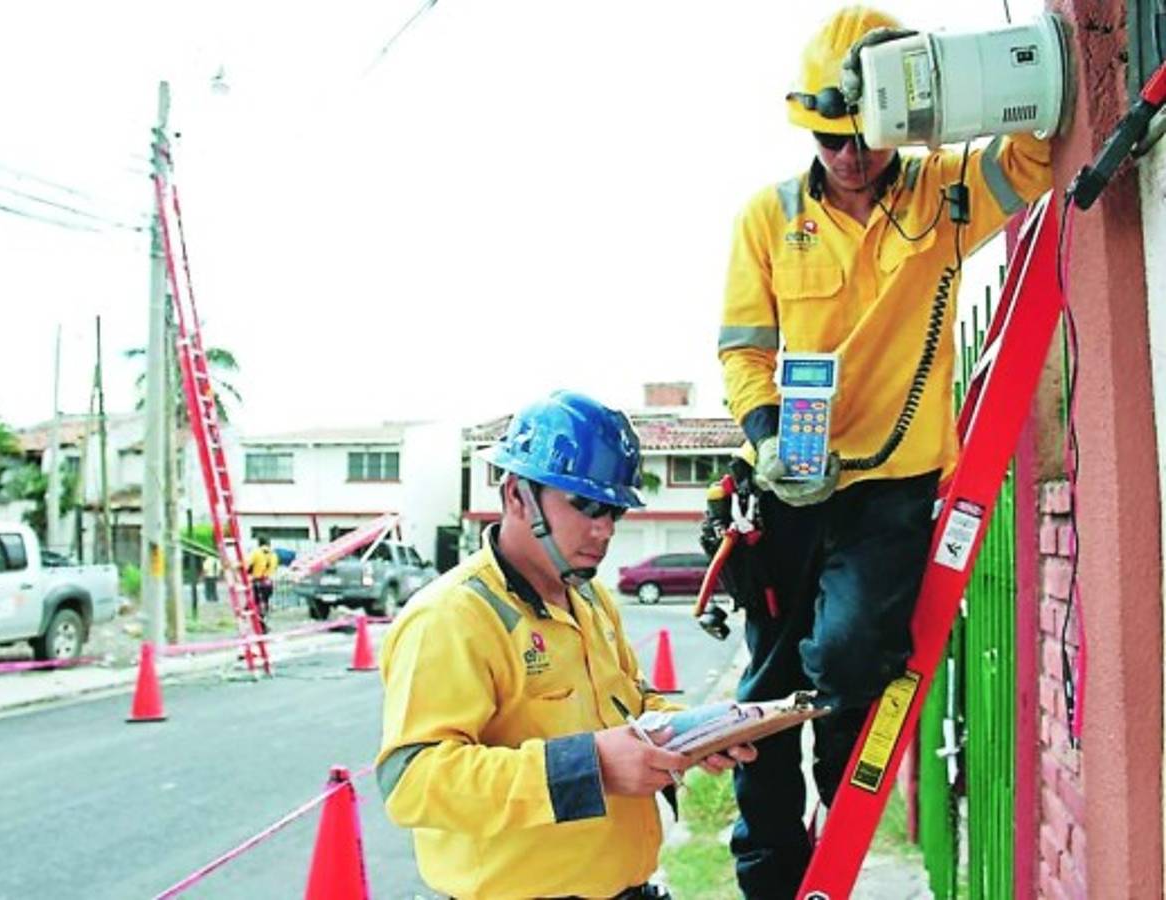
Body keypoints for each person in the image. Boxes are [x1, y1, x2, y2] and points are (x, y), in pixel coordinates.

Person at [715, 6, 1053, 897]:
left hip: (891, 490)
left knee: (849, 660)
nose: (846, 156)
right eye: (828, 139)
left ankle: (840, 842)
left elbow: (1038, 155)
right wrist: (762, 439)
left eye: (862, 134)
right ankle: (771, 877)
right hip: (790, 485)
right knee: (768, 692)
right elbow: (743, 351)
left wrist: (941, 95)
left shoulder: (943, 192)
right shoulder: (767, 218)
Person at [376, 390, 756, 900]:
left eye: (614, 512)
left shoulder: (590, 598)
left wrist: (695, 730)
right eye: (584, 505)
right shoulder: (452, 617)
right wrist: (591, 766)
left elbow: (631, 704)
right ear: (516, 496)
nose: (602, 530)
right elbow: (413, 783)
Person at [244, 537, 278, 628]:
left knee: (256, 603)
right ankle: (263, 622)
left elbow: (247, 565)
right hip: (269, 582)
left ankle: (261, 625)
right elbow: (274, 568)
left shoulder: (256, 552)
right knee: (265, 602)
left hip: (258, 582)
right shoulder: (274, 554)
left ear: (259, 543)